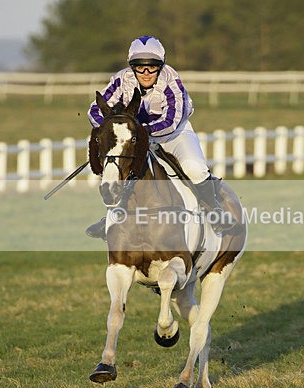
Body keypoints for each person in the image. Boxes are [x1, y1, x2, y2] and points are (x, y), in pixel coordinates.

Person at [86, 35, 232, 238]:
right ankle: (111, 217)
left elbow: (171, 120)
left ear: (161, 66)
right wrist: (114, 130)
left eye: (152, 67)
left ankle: (215, 210)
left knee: (194, 167)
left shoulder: (171, 80)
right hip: (136, 136)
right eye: (139, 66)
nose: (146, 73)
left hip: (175, 135)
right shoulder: (121, 79)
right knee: (121, 171)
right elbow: (95, 110)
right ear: (132, 66)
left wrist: (140, 131)